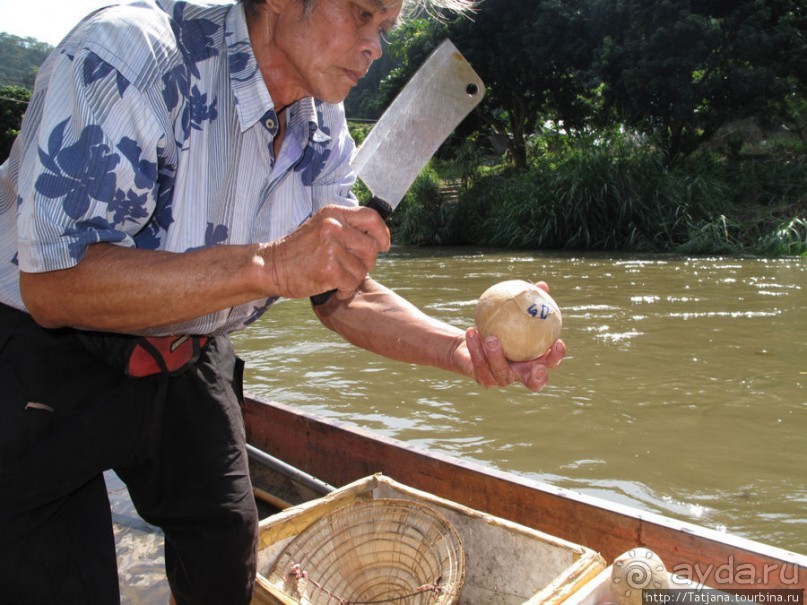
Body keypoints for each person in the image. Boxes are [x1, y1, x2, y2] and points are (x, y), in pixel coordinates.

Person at [0, 0, 566, 602]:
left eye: (385, 27)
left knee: (225, 555)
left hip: (190, 350)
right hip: (44, 353)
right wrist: (269, 266)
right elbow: (56, 284)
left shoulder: (322, 119)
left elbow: (338, 293)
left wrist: (458, 349)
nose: (375, 47)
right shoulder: (129, 56)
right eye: (363, 14)